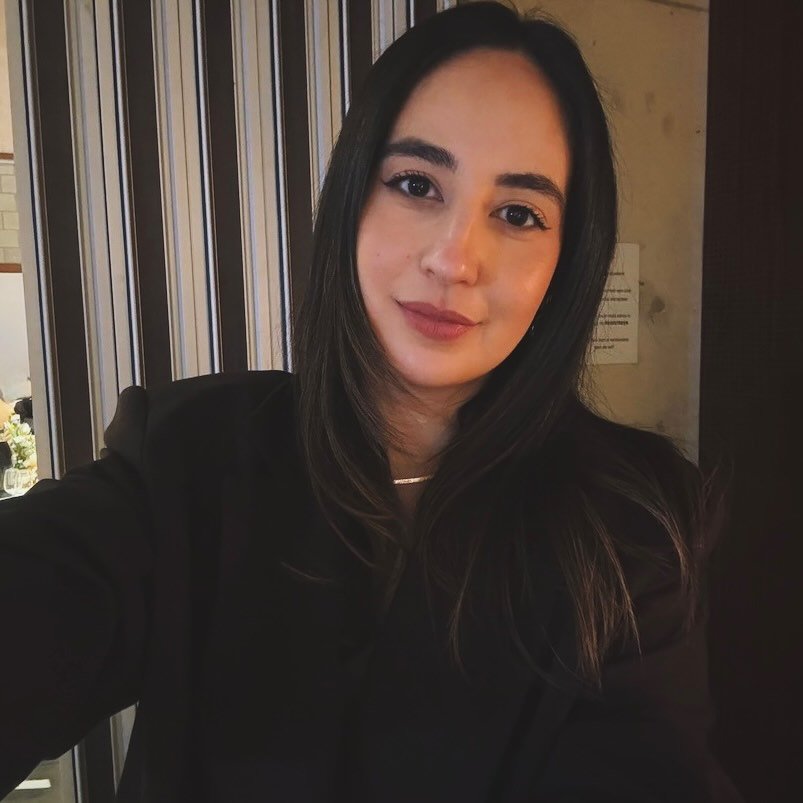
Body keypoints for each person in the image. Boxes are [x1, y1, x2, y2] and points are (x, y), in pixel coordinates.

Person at [0, 3, 741, 801]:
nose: (454, 258)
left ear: (566, 262)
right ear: (352, 199)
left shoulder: (633, 523)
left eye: (518, 213)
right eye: (416, 184)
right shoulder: (188, 460)